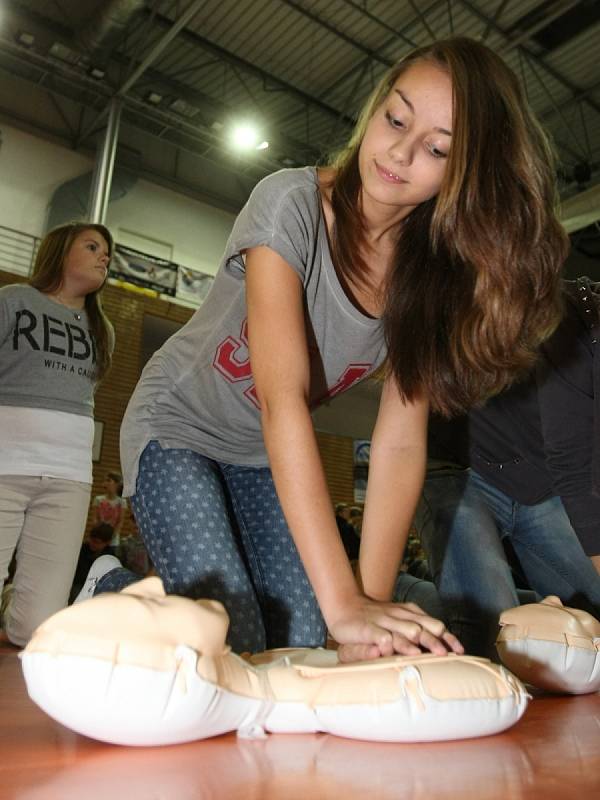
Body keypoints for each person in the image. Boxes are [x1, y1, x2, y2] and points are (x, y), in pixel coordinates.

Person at [89, 37, 566, 663]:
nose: (400, 151)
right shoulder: (290, 204)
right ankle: (109, 589)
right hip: (179, 424)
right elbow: (282, 401)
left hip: (260, 459)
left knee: (300, 645)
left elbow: (397, 446)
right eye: (396, 119)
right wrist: (345, 603)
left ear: (464, 172)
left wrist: (364, 607)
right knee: (236, 644)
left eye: (438, 148)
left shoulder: (426, 281)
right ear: (374, 109)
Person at [419, 278, 600, 660]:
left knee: (591, 622)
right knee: (492, 622)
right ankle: (423, 628)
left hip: (535, 481)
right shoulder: (570, 313)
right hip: (455, 468)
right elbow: (571, 458)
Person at [0, 222, 113, 646]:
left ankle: (17, 603)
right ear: (61, 252)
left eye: (107, 252)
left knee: (34, 631)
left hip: (68, 478)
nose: (104, 257)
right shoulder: (13, 301)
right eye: (93, 247)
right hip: (6, 464)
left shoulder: (102, 330)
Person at [68, 522, 115, 604]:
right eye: (91, 540)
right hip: (80, 584)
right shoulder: (82, 549)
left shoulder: (110, 556)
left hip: (97, 586)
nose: (92, 544)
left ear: (108, 542)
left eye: (97, 542)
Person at [93, 472, 127, 552]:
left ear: (117, 483)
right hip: (99, 538)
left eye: (109, 481)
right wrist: (99, 535)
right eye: (105, 481)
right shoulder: (98, 499)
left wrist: (112, 536)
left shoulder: (122, 502)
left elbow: (120, 521)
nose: (105, 483)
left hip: (113, 540)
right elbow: (95, 519)